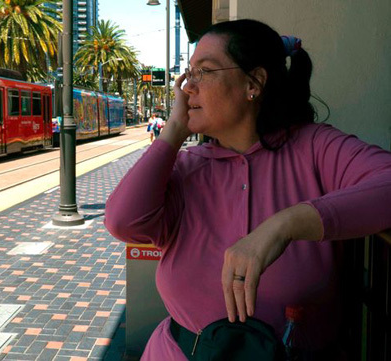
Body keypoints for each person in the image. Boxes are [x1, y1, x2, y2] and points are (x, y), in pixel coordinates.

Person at [105, 19, 391, 360]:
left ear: (253, 83)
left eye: (204, 72)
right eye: (188, 74)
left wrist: (284, 225)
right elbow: (123, 222)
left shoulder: (314, 147)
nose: (186, 88)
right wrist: (173, 132)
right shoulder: (187, 167)